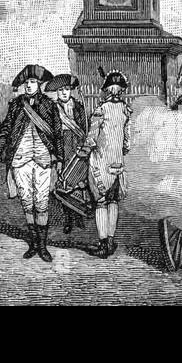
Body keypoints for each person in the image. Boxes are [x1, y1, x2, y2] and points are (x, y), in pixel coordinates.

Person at [0, 64, 64, 262]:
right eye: (27, 83)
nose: (30, 85)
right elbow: (5, 131)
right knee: (26, 201)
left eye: (33, 82)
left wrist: (59, 158)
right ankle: (33, 243)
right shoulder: (16, 105)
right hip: (20, 160)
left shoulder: (49, 105)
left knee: (41, 203)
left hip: (43, 160)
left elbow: (57, 134)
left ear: (40, 84)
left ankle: (42, 246)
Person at [80, 71, 131, 258]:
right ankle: (110, 240)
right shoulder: (126, 111)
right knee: (113, 202)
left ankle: (103, 244)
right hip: (118, 164)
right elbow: (127, 143)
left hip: (101, 164)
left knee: (100, 203)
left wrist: (84, 150)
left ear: (107, 90)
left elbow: (91, 139)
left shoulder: (100, 111)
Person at [48, 72, 88, 234]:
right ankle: (68, 220)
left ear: (71, 90)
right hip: (63, 147)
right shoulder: (52, 109)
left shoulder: (79, 107)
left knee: (79, 182)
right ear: (56, 93)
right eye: (60, 90)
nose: (64, 93)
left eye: (66, 89)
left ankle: (80, 214)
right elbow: (52, 132)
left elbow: (84, 128)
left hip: (78, 147)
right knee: (65, 183)